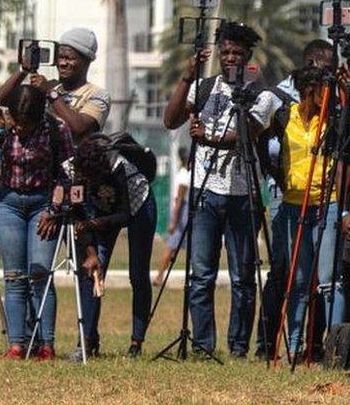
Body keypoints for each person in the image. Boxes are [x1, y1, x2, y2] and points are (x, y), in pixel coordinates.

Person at [163, 22, 278, 358]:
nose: (230, 58)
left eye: (237, 53)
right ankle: (202, 346)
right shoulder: (203, 88)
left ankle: (239, 347)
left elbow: (247, 135)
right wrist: (187, 76)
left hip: (243, 194)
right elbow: (170, 121)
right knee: (201, 275)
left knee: (243, 277)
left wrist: (208, 137)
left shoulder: (263, 95)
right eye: (225, 52)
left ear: (248, 57)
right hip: (204, 191)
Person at [0, 84, 74, 361]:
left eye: (26, 124)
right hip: (9, 203)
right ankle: (16, 345)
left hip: (43, 205)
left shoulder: (57, 130)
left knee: (40, 274)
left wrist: (54, 210)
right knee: (14, 277)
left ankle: (46, 344)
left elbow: (68, 174)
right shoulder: (1, 125)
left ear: (39, 116)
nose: (19, 129)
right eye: (16, 123)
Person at [266, 66, 346, 356]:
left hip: (327, 205)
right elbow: (266, 146)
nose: (330, 96)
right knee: (297, 281)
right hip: (293, 205)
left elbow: (342, 163)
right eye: (325, 89)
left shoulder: (332, 121)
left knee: (329, 282)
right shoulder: (285, 117)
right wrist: (278, 177)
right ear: (310, 90)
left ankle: (335, 346)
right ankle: (296, 345)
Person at [70, 134, 157, 359]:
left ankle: (136, 343)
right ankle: (86, 341)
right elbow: (78, 215)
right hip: (100, 213)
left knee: (138, 274)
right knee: (93, 272)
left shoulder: (118, 167)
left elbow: (124, 214)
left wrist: (96, 223)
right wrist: (90, 252)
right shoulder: (74, 170)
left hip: (138, 205)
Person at [0, 27, 110, 140]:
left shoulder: (98, 95)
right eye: (60, 57)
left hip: (76, 159)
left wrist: (51, 93)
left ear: (86, 61)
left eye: (70, 58)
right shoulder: (49, 86)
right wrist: (23, 70)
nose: (63, 63)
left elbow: (78, 127)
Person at [154, 147, 190, 288]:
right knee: (171, 247)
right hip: (182, 213)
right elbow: (179, 200)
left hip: (184, 211)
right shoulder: (184, 176)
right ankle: (159, 276)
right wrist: (174, 221)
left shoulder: (186, 173)